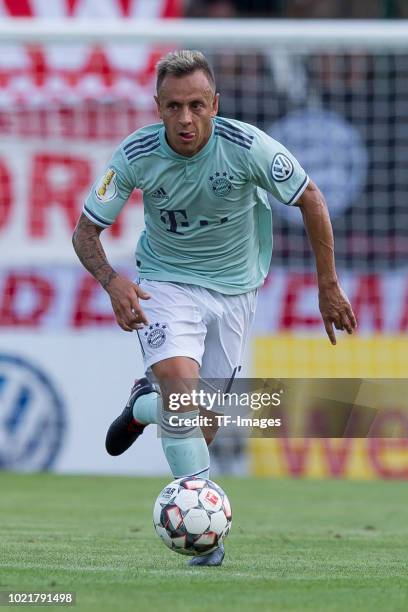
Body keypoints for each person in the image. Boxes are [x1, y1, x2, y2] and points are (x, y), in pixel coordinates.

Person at [72, 49, 357, 567]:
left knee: (199, 419)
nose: (186, 119)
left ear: (214, 104)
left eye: (197, 105)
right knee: (183, 397)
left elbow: (311, 197)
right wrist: (112, 281)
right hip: (166, 284)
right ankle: (208, 537)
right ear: (157, 107)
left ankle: (143, 406)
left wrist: (328, 284)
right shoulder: (135, 154)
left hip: (235, 292)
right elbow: (86, 231)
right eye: (174, 106)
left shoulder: (246, 146)